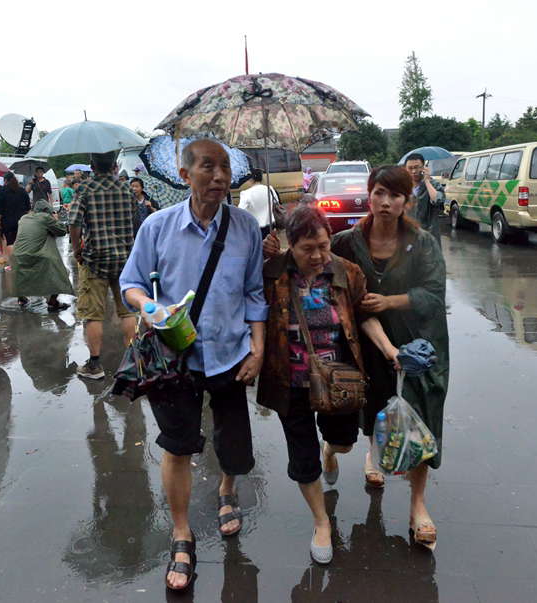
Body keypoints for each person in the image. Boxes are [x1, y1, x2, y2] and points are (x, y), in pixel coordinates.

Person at [120, 139, 267, 591]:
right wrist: (148, 306)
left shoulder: (245, 227)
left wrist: (258, 349)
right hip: (173, 358)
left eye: (225, 167)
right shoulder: (157, 226)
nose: (219, 177)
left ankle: (226, 489)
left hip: (230, 353)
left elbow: (255, 294)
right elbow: (131, 282)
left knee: (232, 438)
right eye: (208, 167)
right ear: (185, 175)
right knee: (178, 445)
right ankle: (182, 531)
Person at [258, 205, 399, 565]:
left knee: (343, 443)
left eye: (323, 245)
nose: (318, 255)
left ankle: (330, 451)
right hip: (290, 382)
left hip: (339, 381)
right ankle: (321, 522)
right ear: (290, 243)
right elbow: (248, 308)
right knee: (303, 460)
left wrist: (388, 348)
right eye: (307, 249)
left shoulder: (345, 272)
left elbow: (365, 316)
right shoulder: (271, 273)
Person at [331, 165, 449, 550]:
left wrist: (391, 301)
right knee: (372, 406)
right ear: (370, 193)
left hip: (417, 343)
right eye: (380, 192)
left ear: (406, 201)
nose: (385, 202)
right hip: (362, 343)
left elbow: (434, 295)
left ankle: (417, 506)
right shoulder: (346, 242)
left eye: (395, 196)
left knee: (419, 419)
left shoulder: (423, 242)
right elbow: (320, 277)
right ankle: (367, 450)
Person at [68, 151, 136, 380]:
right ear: (115, 165)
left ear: (92, 166)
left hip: (95, 259)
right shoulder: (126, 189)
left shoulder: (85, 189)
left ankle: (95, 366)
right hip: (126, 260)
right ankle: (133, 363)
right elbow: (135, 220)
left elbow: (74, 223)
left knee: (93, 314)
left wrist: (77, 249)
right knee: (127, 311)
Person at [12, 200, 74, 311]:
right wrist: (55, 219)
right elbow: (62, 231)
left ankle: (22, 298)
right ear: (47, 211)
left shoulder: (24, 218)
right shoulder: (45, 218)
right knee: (62, 272)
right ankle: (52, 301)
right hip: (35, 256)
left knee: (23, 277)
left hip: (17, 256)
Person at [404, 153, 445, 241]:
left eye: (417, 167)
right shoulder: (403, 186)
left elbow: (437, 200)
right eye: (410, 168)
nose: (414, 171)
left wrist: (427, 181)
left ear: (423, 168)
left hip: (428, 235)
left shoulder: (433, 184)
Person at [0, 172, 31, 256]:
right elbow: (28, 209)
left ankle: (12, 263)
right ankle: (23, 259)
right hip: (22, 221)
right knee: (21, 242)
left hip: (8, 223)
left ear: (6, 181)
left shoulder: (1, 191)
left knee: (10, 242)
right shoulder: (22, 191)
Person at [238, 168, 280, 238]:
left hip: (255, 227)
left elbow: (240, 211)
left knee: (257, 247)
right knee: (270, 247)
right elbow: (276, 202)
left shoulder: (246, 193)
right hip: (271, 226)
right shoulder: (270, 189)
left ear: (251, 179)